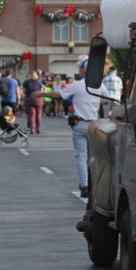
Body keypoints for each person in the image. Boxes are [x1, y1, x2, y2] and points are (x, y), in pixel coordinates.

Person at [41, 58, 107, 198]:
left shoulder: (78, 85)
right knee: (93, 157)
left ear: (83, 71)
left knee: (80, 156)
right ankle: (94, 184)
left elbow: (59, 95)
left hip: (80, 124)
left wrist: (42, 94)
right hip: (95, 125)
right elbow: (107, 100)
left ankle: (84, 185)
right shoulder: (100, 86)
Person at [22, 70, 44, 134]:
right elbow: (41, 91)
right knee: (38, 115)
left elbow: (24, 91)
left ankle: (32, 129)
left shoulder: (26, 82)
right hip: (38, 99)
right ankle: (38, 129)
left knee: (31, 114)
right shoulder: (39, 82)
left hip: (29, 98)